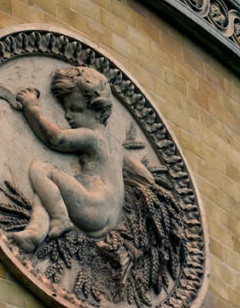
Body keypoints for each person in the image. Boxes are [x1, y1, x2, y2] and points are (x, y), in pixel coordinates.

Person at [11, 66, 154, 252]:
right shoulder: (117, 148)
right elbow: (148, 180)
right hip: (107, 216)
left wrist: (31, 107)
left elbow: (55, 138)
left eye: (75, 109)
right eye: (66, 109)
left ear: (97, 109)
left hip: (92, 206)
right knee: (48, 193)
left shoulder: (92, 136)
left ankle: (61, 219)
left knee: (40, 169)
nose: (67, 115)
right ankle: (35, 232)